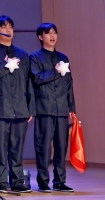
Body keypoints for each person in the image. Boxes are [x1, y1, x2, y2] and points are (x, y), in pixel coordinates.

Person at [0, 16, 34, 194]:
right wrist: (4, 67)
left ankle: (18, 181)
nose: (8, 30)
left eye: (10, 27)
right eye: (4, 27)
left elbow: (28, 83)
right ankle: (1, 182)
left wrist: (30, 108)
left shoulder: (23, 55)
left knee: (17, 147)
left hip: (19, 107)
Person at [30, 23, 76, 193]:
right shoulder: (35, 57)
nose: (52, 36)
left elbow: (69, 83)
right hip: (44, 108)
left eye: (54, 33)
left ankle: (59, 181)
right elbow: (37, 79)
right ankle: (43, 181)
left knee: (61, 146)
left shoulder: (63, 57)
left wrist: (71, 107)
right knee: (43, 146)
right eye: (48, 33)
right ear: (40, 37)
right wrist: (55, 72)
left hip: (62, 108)